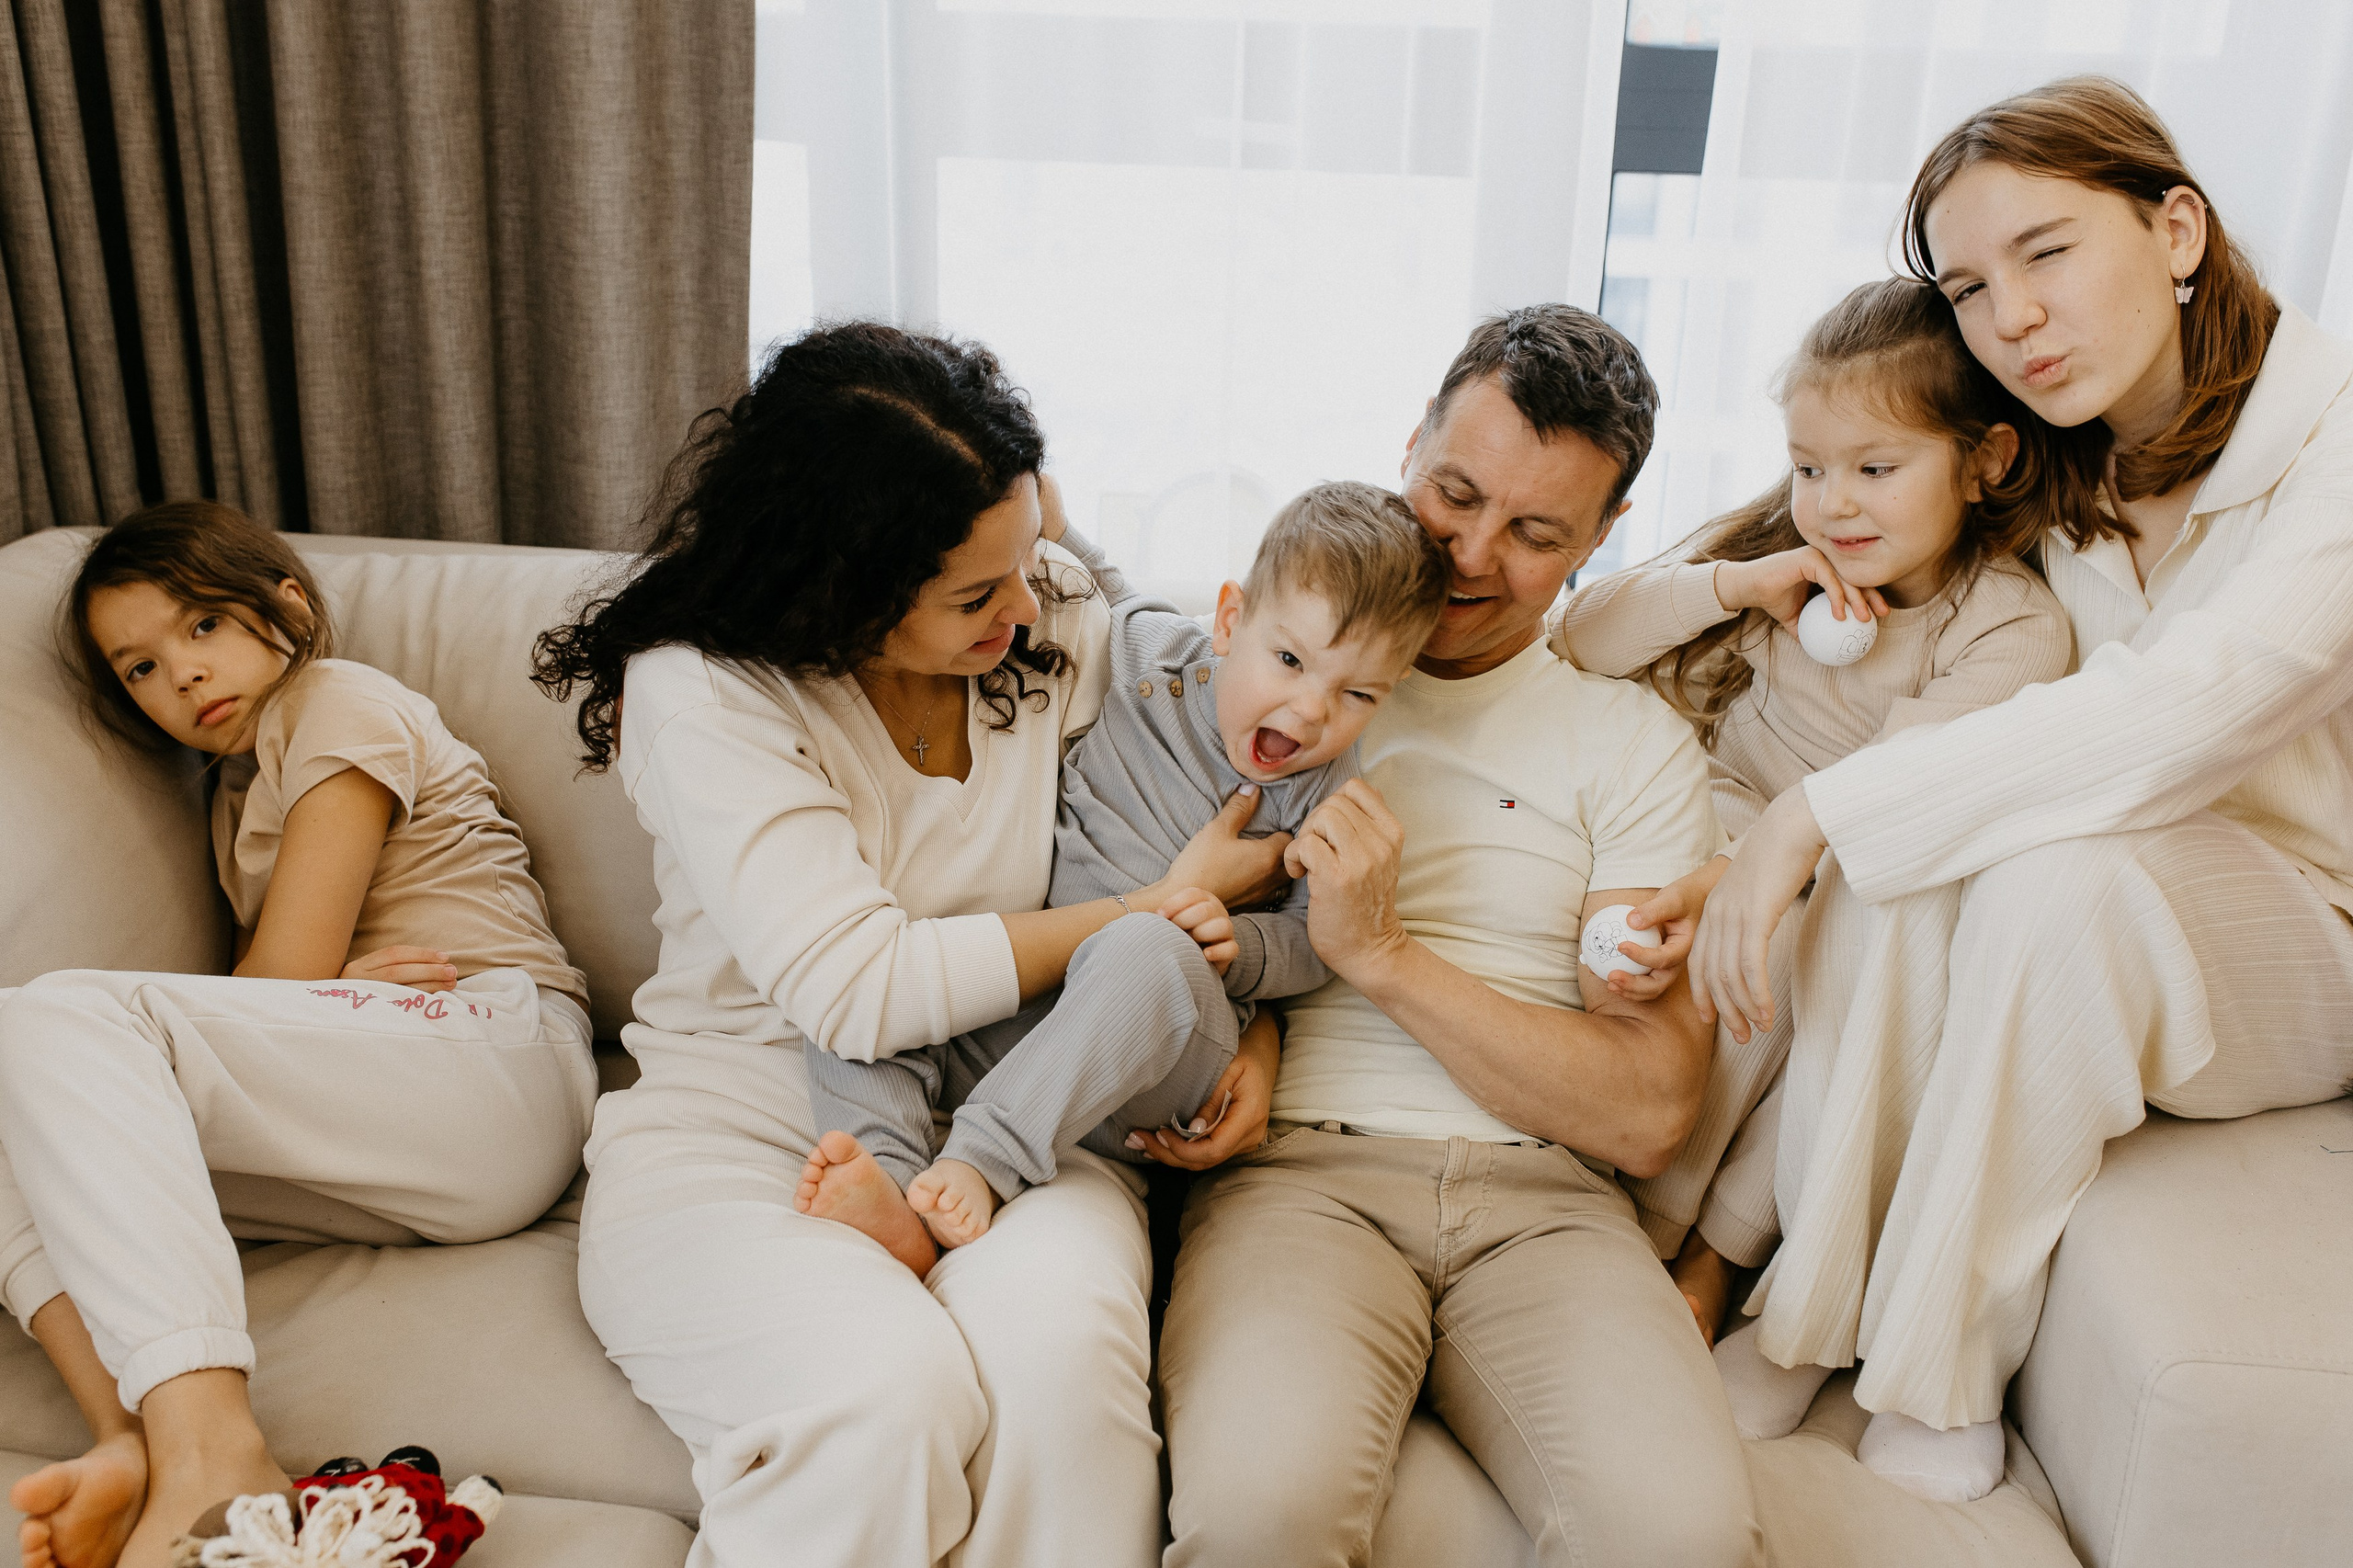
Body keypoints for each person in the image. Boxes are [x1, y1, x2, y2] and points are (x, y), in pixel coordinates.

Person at [1686, 75, 2353, 1503]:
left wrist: (1812, 816)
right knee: (1922, 843)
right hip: (2115, 873)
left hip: (2311, 926)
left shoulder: (2340, 433)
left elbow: (2205, 701)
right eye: (1972, 287)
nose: (2013, 321)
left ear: (2178, 230)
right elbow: (1841, 516)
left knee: (2011, 860)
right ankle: (1805, 1318)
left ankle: (1938, 1373)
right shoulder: (2054, 464)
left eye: (2047, 253)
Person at [533, 323, 1287, 1568]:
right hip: (749, 1116)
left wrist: (1254, 1022)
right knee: (884, 1400)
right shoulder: (704, 687)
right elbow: (859, 984)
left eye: (1029, 559)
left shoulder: (1048, 624)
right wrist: (1149, 908)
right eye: (977, 593)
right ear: (840, 588)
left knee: (1062, 1386)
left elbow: (1251, 759)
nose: (1028, 606)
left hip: (1021, 1103)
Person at [1157, 305, 1764, 1568]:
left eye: (1537, 532)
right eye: (1454, 493)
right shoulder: (1281, 682)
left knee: (1684, 1539)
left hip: (1548, 1208)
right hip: (1299, 1184)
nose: (1473, 555)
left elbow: (1650, 1108)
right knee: (1257, 1515)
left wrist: (1382, 954)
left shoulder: (1630, 744)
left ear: (1603, 540)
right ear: (1410, 447)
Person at [2, 502, 594, 1568]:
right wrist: (315, 1002)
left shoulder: (337, 699)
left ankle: (214, 1450)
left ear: (289, 607)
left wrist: (313, 995)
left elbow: (287, 972)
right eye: (138, 667)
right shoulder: (235, 786)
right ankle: (129, 1437)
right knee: (17, 1114)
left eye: (201, 627)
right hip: (396, 1126)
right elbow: (291, 989)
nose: (179, 676)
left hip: (496, 1059)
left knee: (51, 1010)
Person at [1547, 278, 2076, 1344]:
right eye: (1808, 468)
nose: (1833, 502)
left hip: (1842, 861)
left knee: (1791, 968)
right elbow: (1577, 638)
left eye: (1876, 469)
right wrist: (1737, 586)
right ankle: (1593, 1210)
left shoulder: (2008, 628)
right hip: (1694, 814)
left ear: (1987, 460)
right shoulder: (1788, 563)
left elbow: (1884, 799)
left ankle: (1701, 1246)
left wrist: (1733, 884)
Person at [799, 481, 1449, 1263]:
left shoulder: (1331, 802)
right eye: (1288, 660)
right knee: (870, 995)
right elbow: (1102, 587)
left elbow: (1315, 945)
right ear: (1230, 620)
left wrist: (1240, 949)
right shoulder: (1153, 656)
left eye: (1357, 693)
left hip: (1156, 1048)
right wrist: (1057, 528)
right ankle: (898, 1194)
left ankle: (983, 1160)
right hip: (1027, 1013)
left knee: (1147, 946)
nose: (1311, 712)